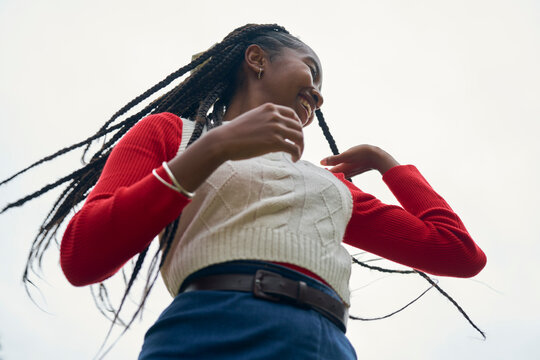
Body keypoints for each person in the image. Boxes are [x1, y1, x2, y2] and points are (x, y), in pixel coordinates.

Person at [4, 24, 486, 359]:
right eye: (311, 70)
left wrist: (388, 164)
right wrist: (217, 146)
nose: (318, 93)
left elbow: (459, 254)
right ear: (257, 59)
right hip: (209, 332)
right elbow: (83, 254)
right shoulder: (174, 135)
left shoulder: (328, 186)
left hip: (325, 344)